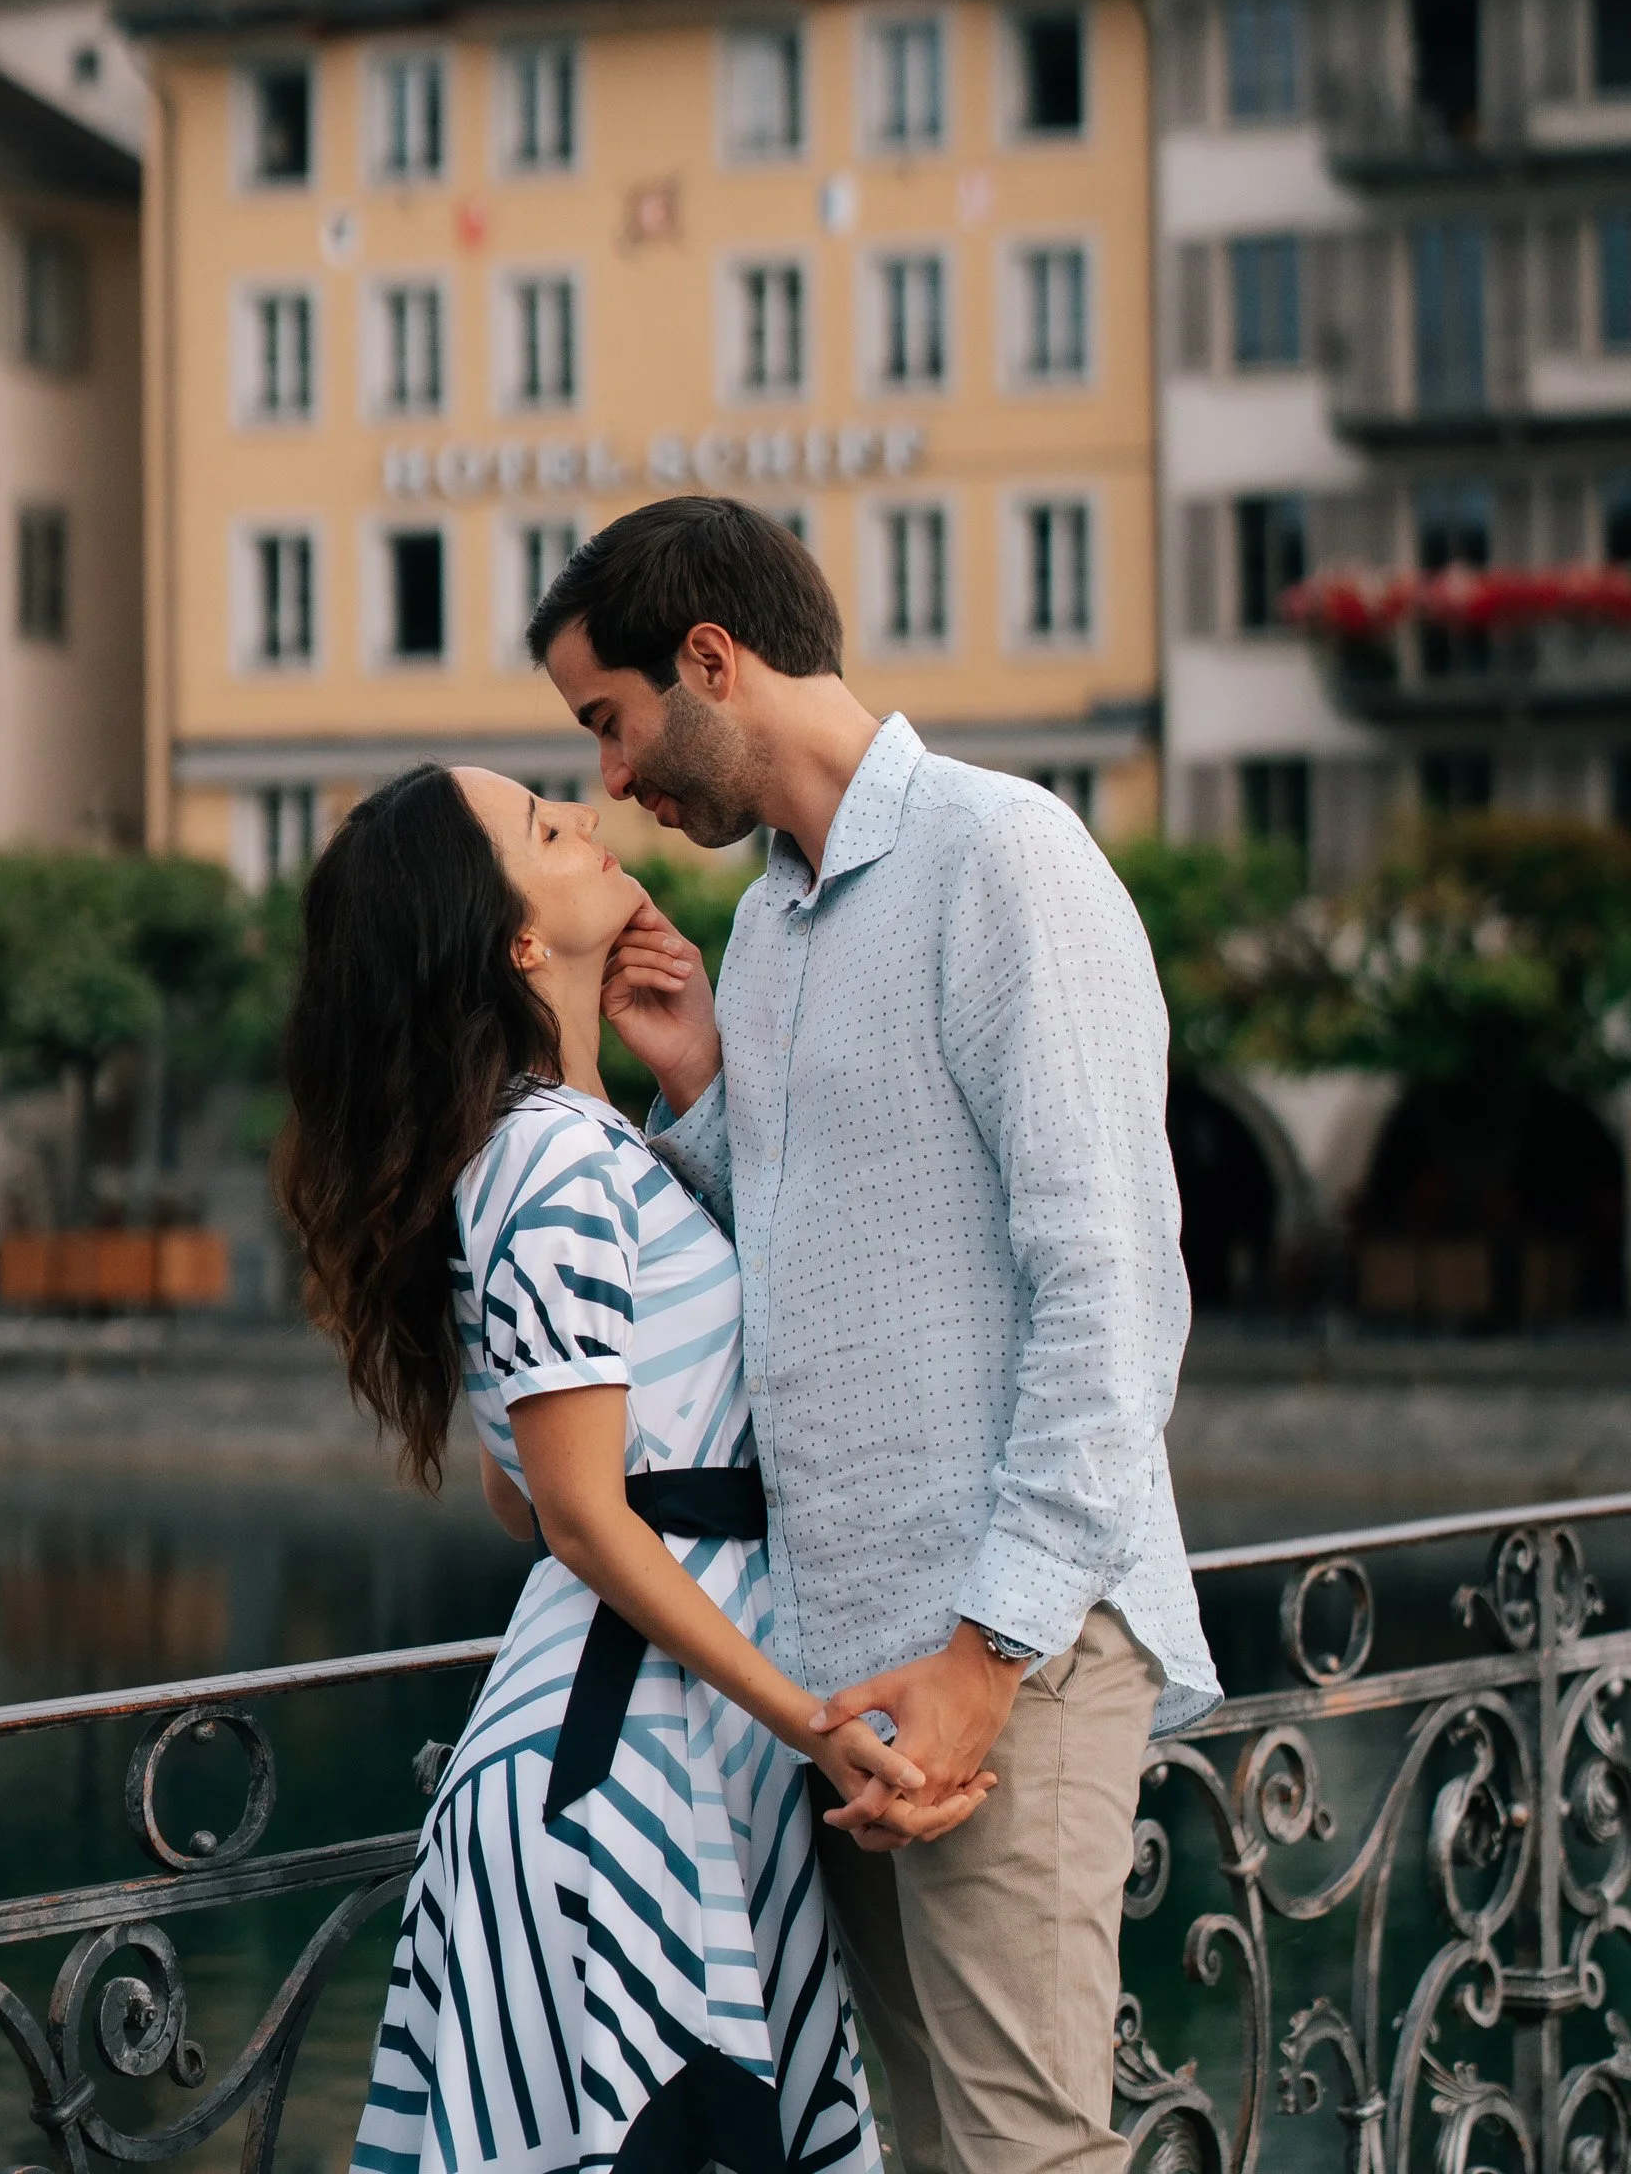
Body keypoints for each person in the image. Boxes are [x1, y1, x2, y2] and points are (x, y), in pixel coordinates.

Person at [528, 496, 1221, 2174]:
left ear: (711, 660)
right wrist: (691, 1078)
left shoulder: (1007, 857)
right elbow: (790, 1239)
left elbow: (1116, 1289)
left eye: (609, 722)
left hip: (1004, 1650)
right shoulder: (767, 923)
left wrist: (992, 1657)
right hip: (845, 1681)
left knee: (1024, 2158)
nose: (614, 779)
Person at [276, 760, 993, 2174]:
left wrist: (694, 1074)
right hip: (618, 1774)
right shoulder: (548, 1164)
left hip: (672, 1748)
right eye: (546, 829)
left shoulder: (582, 1148)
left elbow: (528, 1485)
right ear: (516, 944)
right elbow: (583, 1519)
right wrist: (807, 1719)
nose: (587, 820)